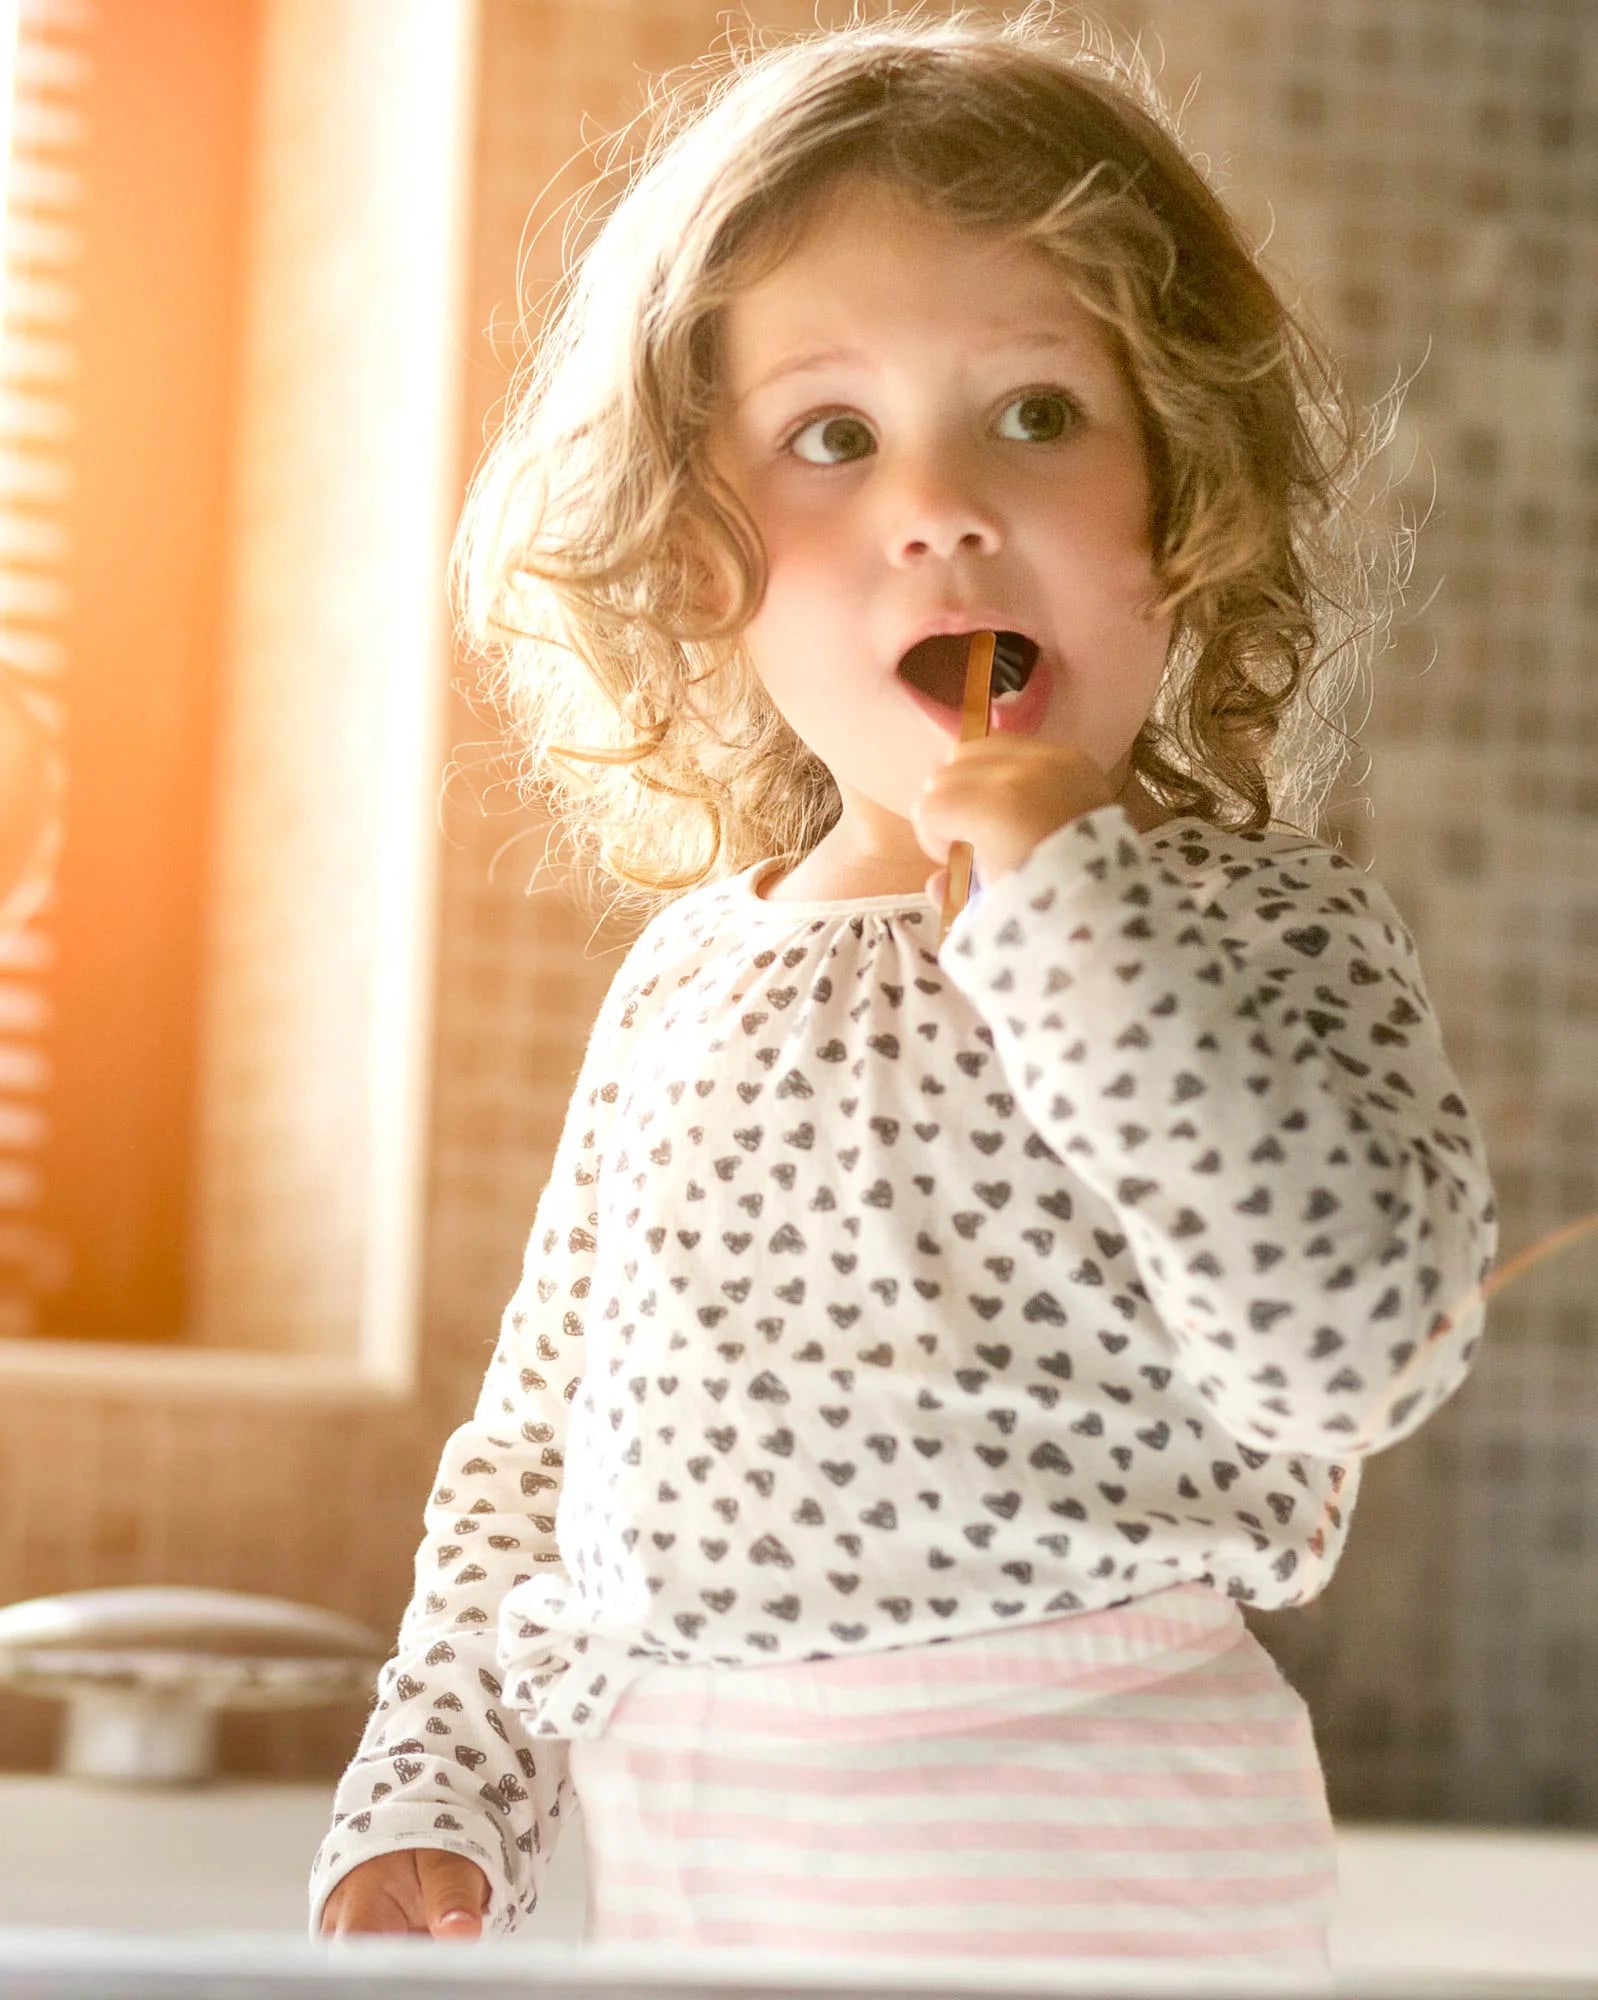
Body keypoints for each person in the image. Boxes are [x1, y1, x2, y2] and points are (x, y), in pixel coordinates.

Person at [310, 9, 1498, 1982]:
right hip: (682, 1842)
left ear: (1179, 505)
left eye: (1033, 413)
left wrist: (1060, 910)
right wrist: (439, 1765)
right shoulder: (692, 976)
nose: (938, 505)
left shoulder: (1259, 933)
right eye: (832, 437)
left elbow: (1355, 1343)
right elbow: (540, 1450)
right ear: (707, 560)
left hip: (1079, 1830)